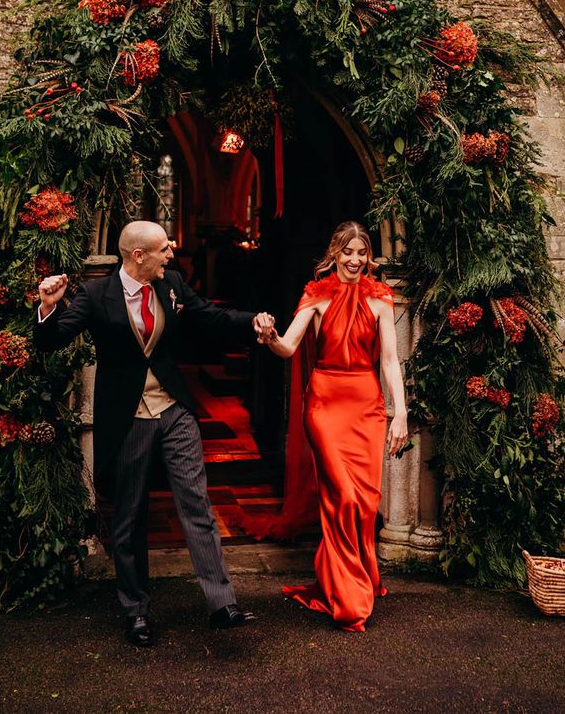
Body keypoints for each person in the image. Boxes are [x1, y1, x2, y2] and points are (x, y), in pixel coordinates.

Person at [33, 220, 275, 647]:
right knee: (129, 516)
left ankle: (222, 604)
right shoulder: (95, 294)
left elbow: (210, 316)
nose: (171, 255)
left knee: (196, 502)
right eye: (164, 249)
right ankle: (136, 612)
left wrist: (250, 322)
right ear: (137, 255)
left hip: (174, 408)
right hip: (129, 417)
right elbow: (52, 342)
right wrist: (49, 306)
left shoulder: (173, 285)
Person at [259, 221, 408, 633]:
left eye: (361, 253)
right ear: (335, 254)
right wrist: (270, 336)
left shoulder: (381, 298)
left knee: (363, 503)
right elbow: (288, 346)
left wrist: (401, 412)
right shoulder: (316, 295)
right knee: (342, 496)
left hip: (367, 407)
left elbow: (390, 362)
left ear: (368, 257)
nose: (355, 260)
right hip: (324, 405)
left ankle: (352, 577)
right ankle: (349, 596)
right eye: (348, 252)